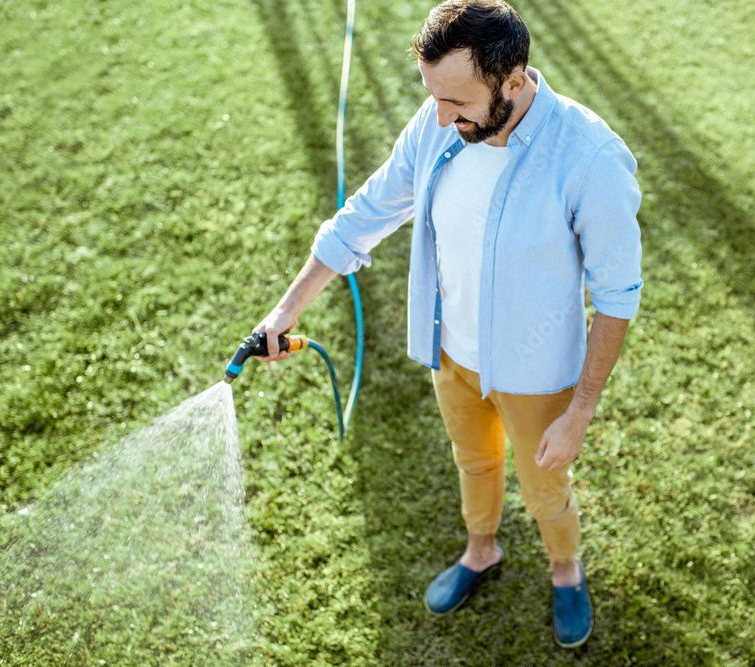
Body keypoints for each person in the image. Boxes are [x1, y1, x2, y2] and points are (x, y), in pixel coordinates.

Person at [252, 0, 642, 649]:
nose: (439, 117)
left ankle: (566, 570)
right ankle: (481, 550)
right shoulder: (443, 122)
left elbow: (618, 294)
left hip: (535, 371)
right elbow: (365, 213)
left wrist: (579, 410)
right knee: (474, 462)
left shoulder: (589, 156)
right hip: (451, 354)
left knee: (546, 487)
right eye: (432, 96)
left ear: (513, 81)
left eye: (455, 101)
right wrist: (285, 309)